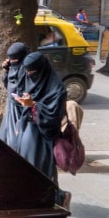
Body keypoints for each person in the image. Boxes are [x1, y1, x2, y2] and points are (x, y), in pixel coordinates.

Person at [7, 51, 70, 208]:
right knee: (26, 168)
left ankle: (55, 198)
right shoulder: (27, 77)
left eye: (32, 72)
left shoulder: (57, 89)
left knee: (40, 170)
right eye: (27, 71)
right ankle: (44, 199)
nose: (29, 75)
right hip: (25, 129)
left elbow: (53, 116)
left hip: (43, 136)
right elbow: (17, 91)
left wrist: (33, 105)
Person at [0, 42, 30, 150]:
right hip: (12, 112)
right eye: (11, 61)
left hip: (25, 111)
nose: (13, 64)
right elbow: (9, 86)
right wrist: (7, 71)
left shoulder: (28, 70)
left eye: (15, 61)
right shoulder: (13, 67)